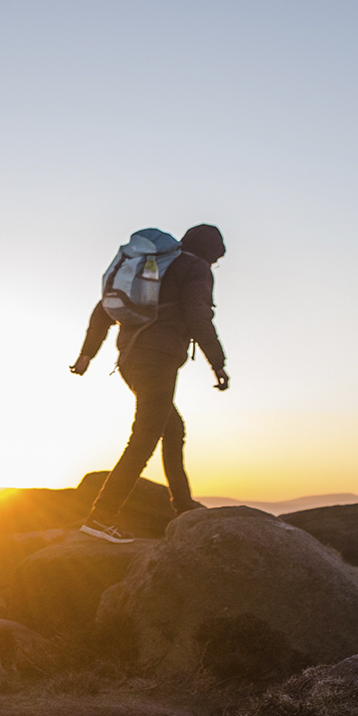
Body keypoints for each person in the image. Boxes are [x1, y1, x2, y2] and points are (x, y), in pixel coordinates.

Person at [70, 223, 229, 543]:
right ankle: (101, 518)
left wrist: (87, 355)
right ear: (210, 253)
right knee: (143, 439)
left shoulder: (153, 267)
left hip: (130, 360)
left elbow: (103, 310)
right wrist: (218, 363)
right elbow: (199, 314)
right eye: (215, 260)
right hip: (158, 360)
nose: (213, 266)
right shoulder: (195, 268)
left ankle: (182, 505)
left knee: (172, 429)